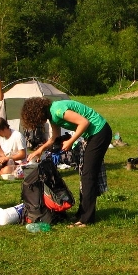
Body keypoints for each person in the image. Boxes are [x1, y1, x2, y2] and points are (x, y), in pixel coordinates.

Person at [21, 97, 112, 227]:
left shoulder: (57, 110)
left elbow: (84, 122)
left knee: (88, 176)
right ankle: (82, 214)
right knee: (85, 174)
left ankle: (86, 219)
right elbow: (54, 137)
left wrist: (70, 141)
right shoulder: (52, 116)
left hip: (100, 132)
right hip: (93, 135)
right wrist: (40, 150)